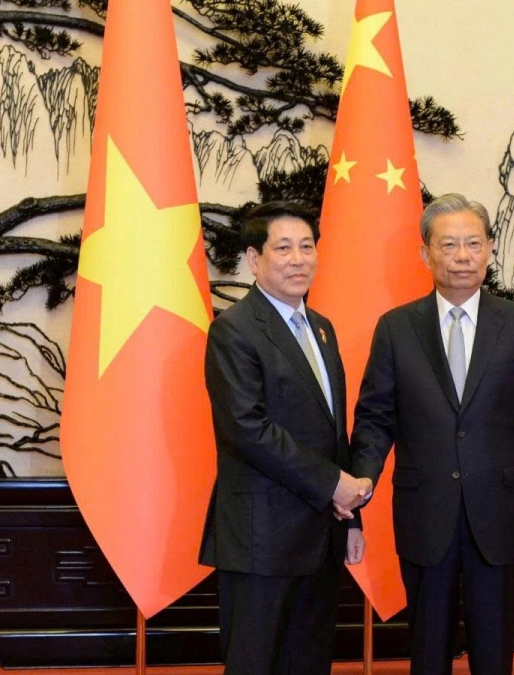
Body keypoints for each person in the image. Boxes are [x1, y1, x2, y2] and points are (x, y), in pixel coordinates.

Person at [350, 193, 514, 675]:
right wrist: (360, 482)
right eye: (448, 245)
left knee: (494, 652)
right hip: (426, 514)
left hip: (501, 515)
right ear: (425, 253)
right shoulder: (396, 328)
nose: (462, 256)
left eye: (472, 243)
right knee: (428, 650)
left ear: (489, 249)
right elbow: (376, 418)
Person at [198, 201, 371, 675]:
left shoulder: (322, 329)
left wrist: (350, 516)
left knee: (309, 663)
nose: (298, 259)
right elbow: (247, 429)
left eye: (307, 247)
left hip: (320, 536)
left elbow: (335, 431)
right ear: (254, 259)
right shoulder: (233, 331)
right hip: (261, 540)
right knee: (256, 664)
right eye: (284, 248)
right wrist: (332, 483)